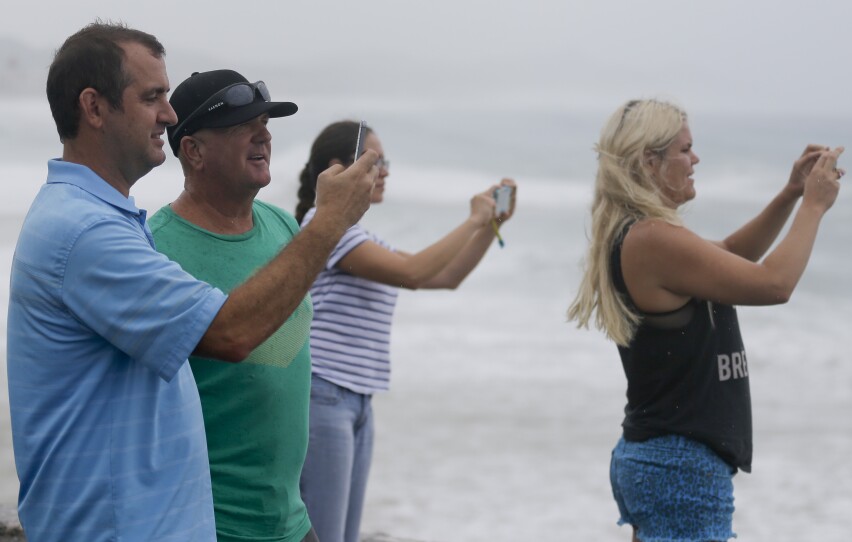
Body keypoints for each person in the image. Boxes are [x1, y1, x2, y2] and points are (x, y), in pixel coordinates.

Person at [6, 22, 376, 542]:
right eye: (152, 96)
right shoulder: (85, 232)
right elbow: (229, 333)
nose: (170, 114)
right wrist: (331, 223)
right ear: (94, 108)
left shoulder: (105, 220)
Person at [567, 99, 844, 542]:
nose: (695, 160)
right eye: (685, 150)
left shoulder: (643, 234)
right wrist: (814, 207)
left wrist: (791, 193)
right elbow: (775, 285)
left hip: (662, 459)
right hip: (679, 465)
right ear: (649, 161)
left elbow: (734, 253)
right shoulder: (652, 238)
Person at [294, 120, 517, 542]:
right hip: (323, 396)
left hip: (357, 399)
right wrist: (472, 221)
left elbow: (444, 276)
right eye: (378, 161)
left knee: (343, 534)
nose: (387, 172)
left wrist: (490, 227)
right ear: (339, 169)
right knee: (325, 536)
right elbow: (414, 273)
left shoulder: (358, 235)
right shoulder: (325, 227)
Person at [147, 68, 323, 542]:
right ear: (194, 150)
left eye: (264, 123)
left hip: (292, 519)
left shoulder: (283, 227)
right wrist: (333, 221)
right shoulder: (157, 251)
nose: (262, 134)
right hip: (212, 523)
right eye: (240, 126)